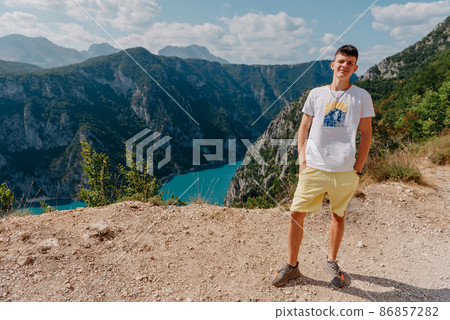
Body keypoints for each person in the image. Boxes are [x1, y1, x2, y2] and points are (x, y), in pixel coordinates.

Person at [272, 45, 375, 288]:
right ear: (332, 64)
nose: (344, 66)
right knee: (296, 214)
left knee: (338, 215)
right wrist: (302, 162)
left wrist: (357, 169)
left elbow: (367, 134)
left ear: (355, 68)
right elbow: (303, 127)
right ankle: (292, 266)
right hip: (314, 167)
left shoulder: (361, 96)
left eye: (350, 63)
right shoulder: (316, 94)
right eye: (341, 61)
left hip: (345, 169)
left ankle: (331, 261)